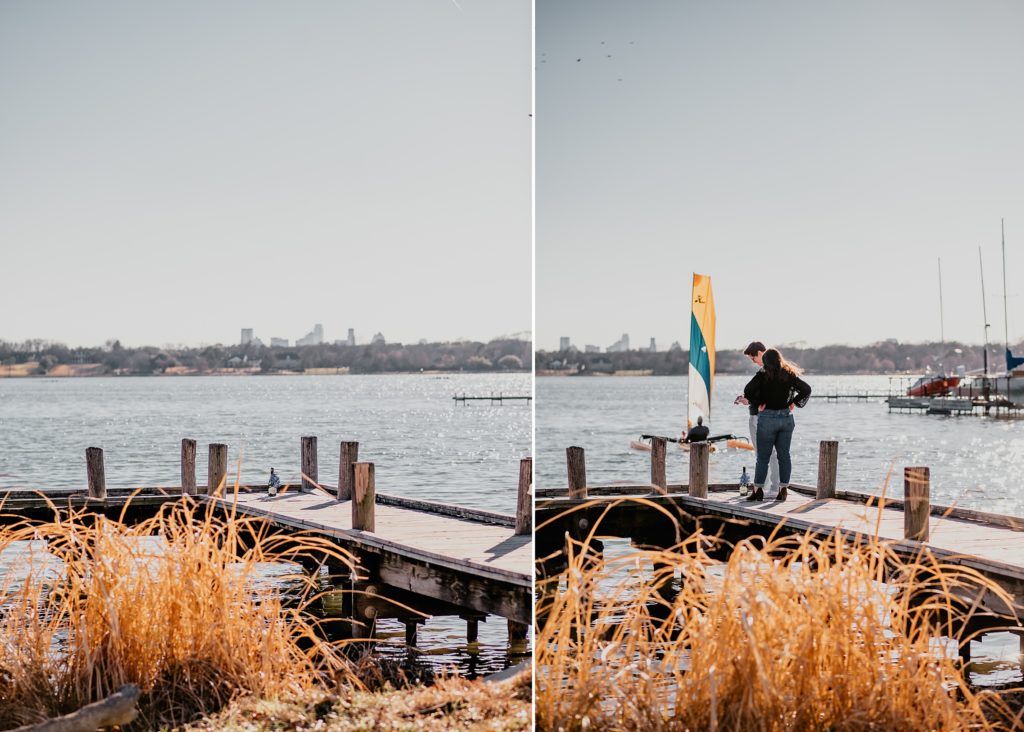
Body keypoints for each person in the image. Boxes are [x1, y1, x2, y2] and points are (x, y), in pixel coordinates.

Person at [742, 348, 811, 502]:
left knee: (763, 457)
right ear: (780, 359)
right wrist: (793, 402)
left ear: (765, 362)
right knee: (784, 456)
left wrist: (759, 402)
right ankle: (783, 490)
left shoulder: (762, 375)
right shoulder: (788, 374)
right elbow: (806, 389)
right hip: (786, 418)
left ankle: (758, 490)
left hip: (767, 419)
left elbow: (748, 390)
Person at [734, 341, 781, 496]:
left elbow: (768, 396)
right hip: (759, 415)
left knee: (767, 454)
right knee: (764, 454)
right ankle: (767, 486)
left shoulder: (768, 372)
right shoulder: (766, 371)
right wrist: (748, 398)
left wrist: (750, 399)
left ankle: (771, 488)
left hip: (761, 417)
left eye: (753, 358)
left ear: (760, 353)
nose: (753, 362)